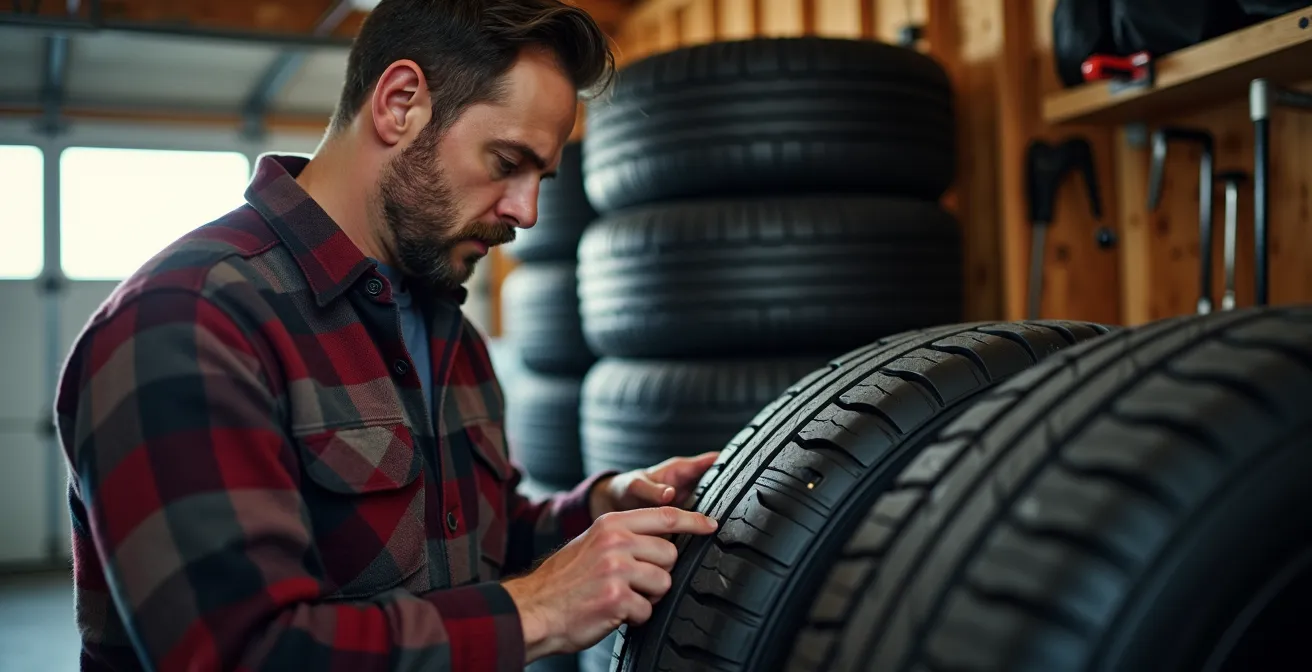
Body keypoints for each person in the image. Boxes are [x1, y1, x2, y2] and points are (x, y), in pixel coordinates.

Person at [53, 1, 722, 670]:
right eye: (507, 162)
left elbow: (467, 541)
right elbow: (245, 652)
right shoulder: (187, 322)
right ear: (401, 104)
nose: (527, 211)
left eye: (539, 178)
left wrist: (601, 510)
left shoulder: (447, 331)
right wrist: (539, 609)